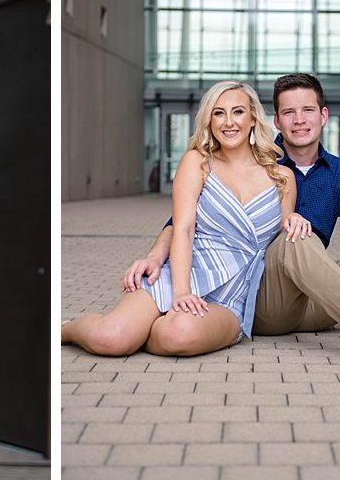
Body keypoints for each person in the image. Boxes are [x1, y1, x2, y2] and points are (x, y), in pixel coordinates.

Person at [121, 73, 340, 363]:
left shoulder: (339, 177)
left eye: (307, 111)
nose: (299, 120)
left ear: (323, 116)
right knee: (297, 238)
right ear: (276, 121)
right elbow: (185, 222)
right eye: (289, 112)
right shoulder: (260, 162)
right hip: (263, 298)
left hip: (321, 299)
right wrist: (154, 256)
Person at [62, 80, 293, 358]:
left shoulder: (283, 178)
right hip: (182, 274)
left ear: (253, 118)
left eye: (238, 112)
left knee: (178, 334)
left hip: (234, 294)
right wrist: (181, 292)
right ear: (209, 120)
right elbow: (182, 229)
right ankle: (65, 328)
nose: (228, 122)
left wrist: (299, 221)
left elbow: (284, 242)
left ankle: (144, 331)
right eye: (218, 113)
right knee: (111, 339)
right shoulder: (197, 162)